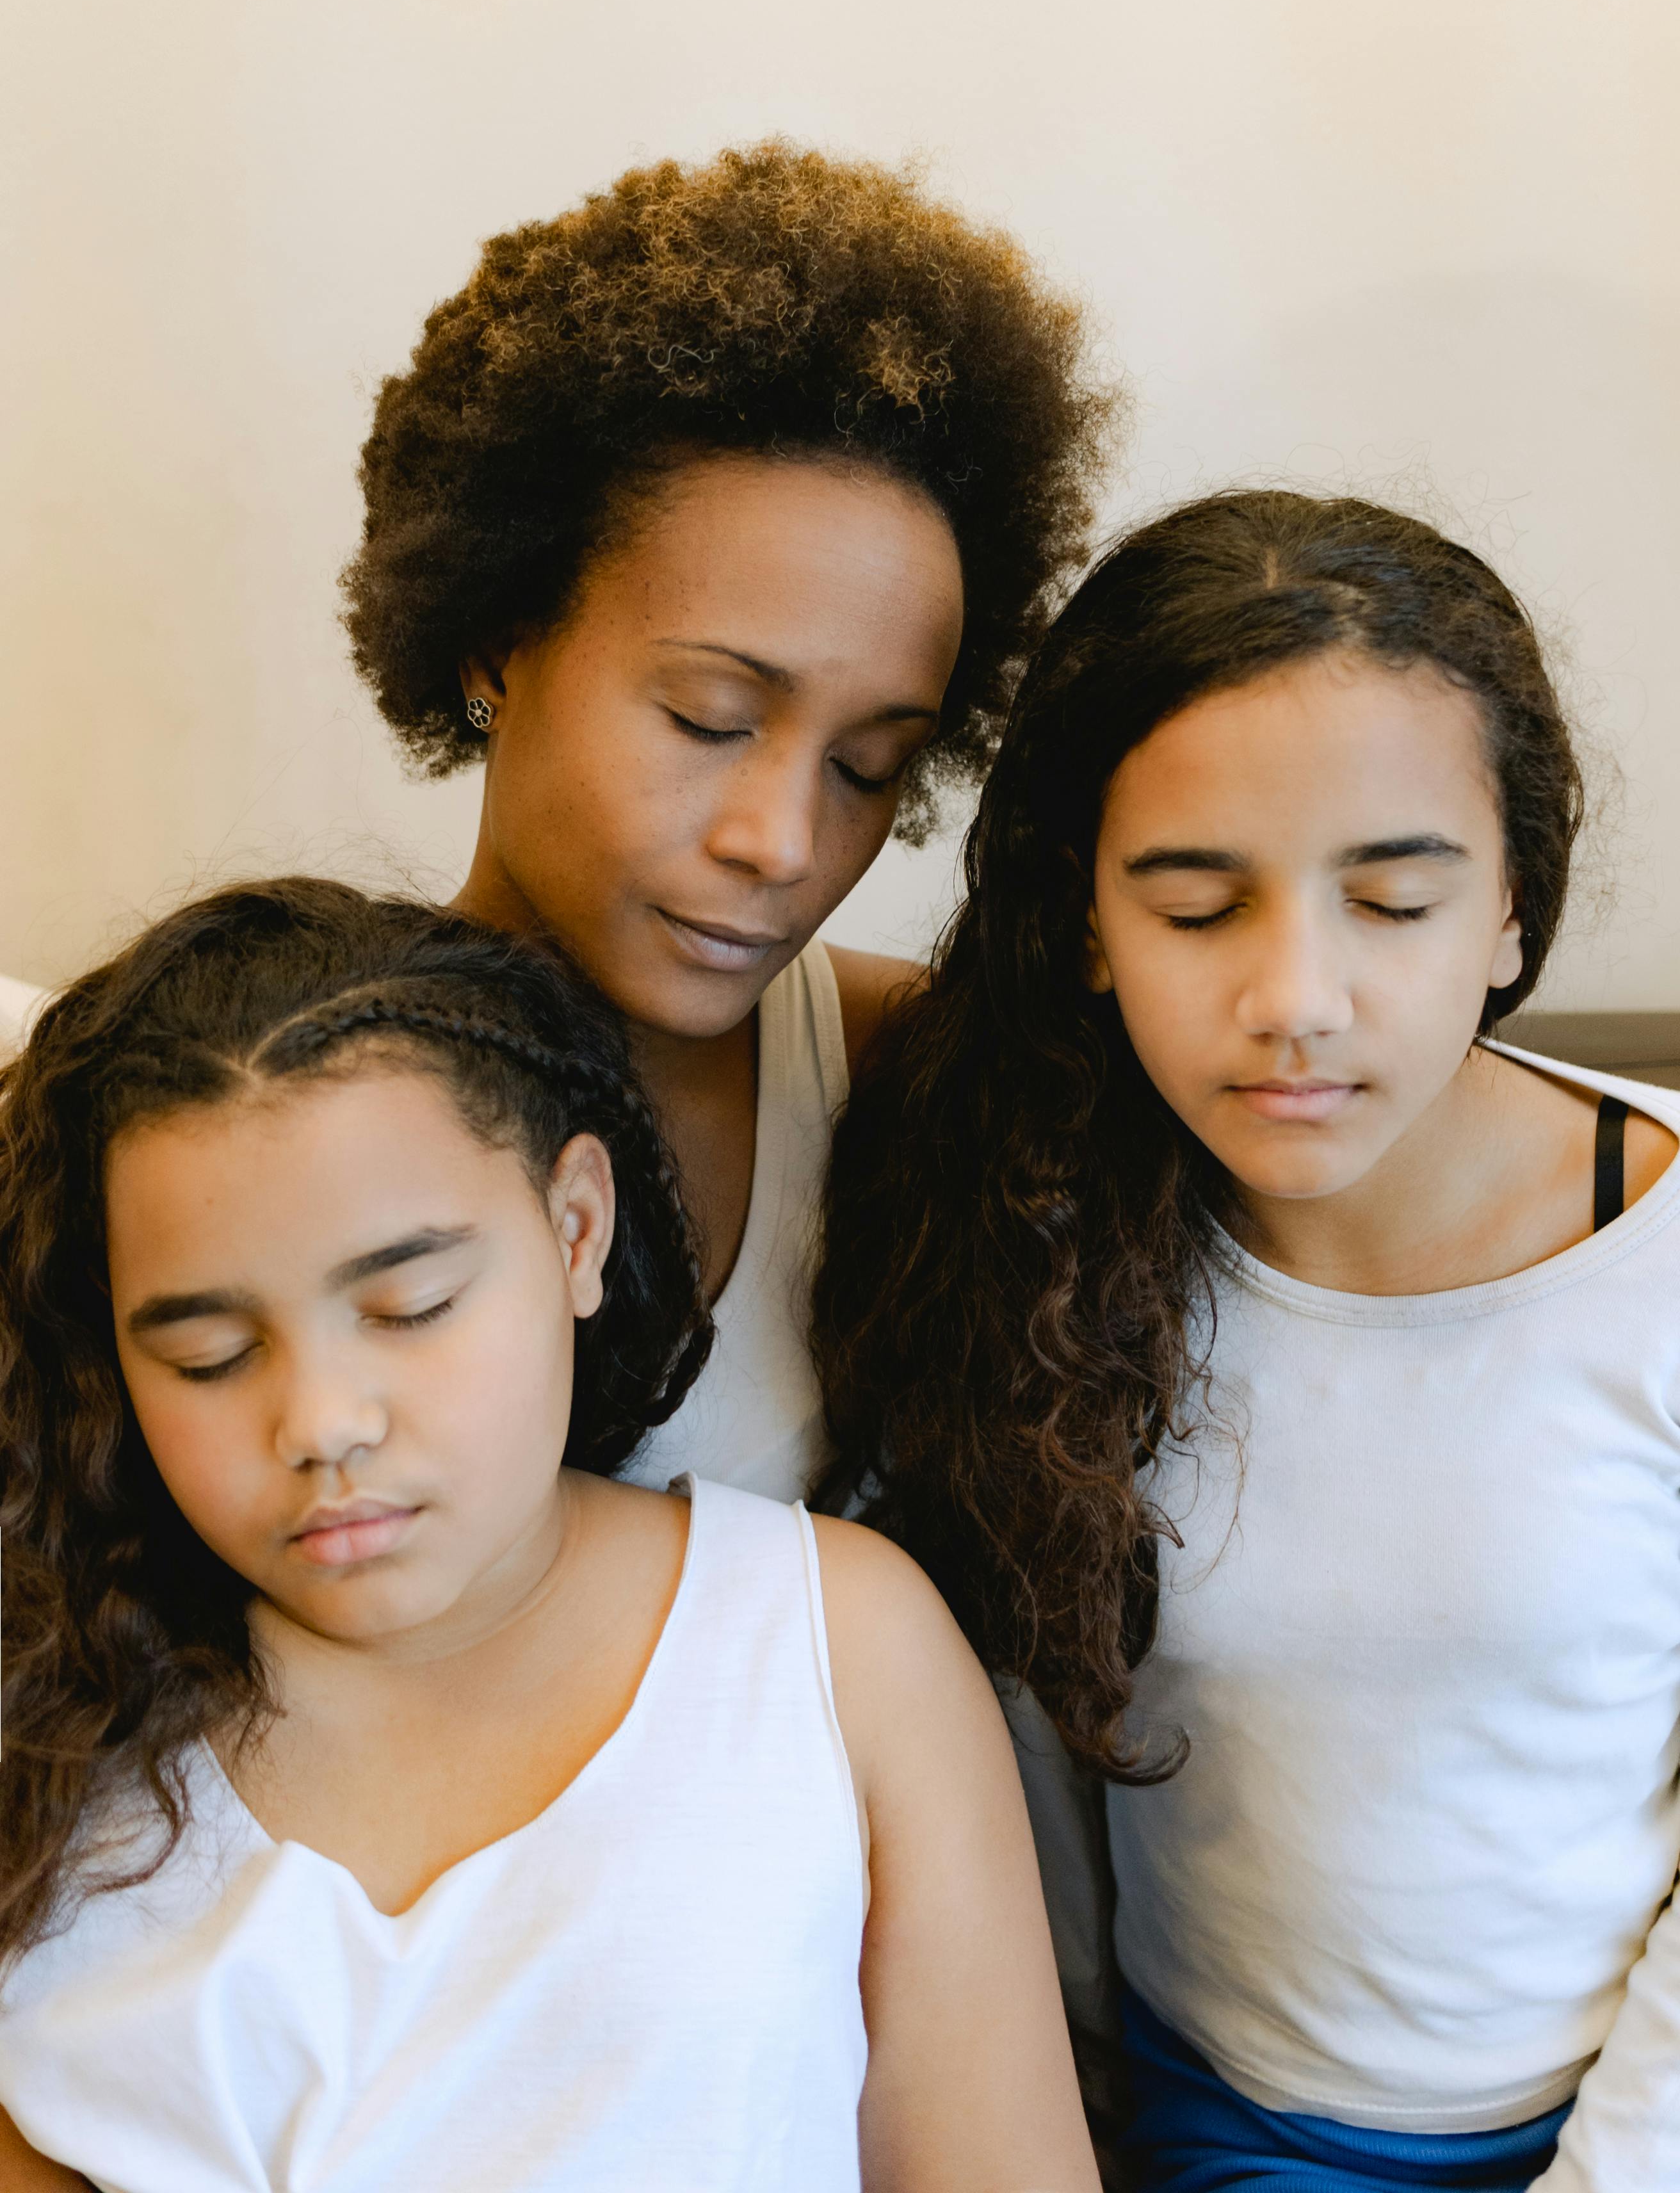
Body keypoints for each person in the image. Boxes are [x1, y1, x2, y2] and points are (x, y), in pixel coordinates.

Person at [814, 492, 1680, 2193]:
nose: (1296, 998)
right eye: (1199, 909)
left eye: (1394, 900)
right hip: (1217, 2121)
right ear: (1086, 924)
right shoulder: (1042, 1247)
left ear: (1511, 908)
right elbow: (1029, 1779)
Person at [0, 877, 1097, 2193]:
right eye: (209, 1355)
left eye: (412, 1306)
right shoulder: (48, 1715)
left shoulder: (835, 1647)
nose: (321, 1424)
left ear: (575, 1229)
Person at [341, 138, 1113, 1501]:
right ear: (492, 643)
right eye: (708, 718)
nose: (785, 842)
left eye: (870, 766)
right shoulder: (256, 1081)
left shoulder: (907, 1080)